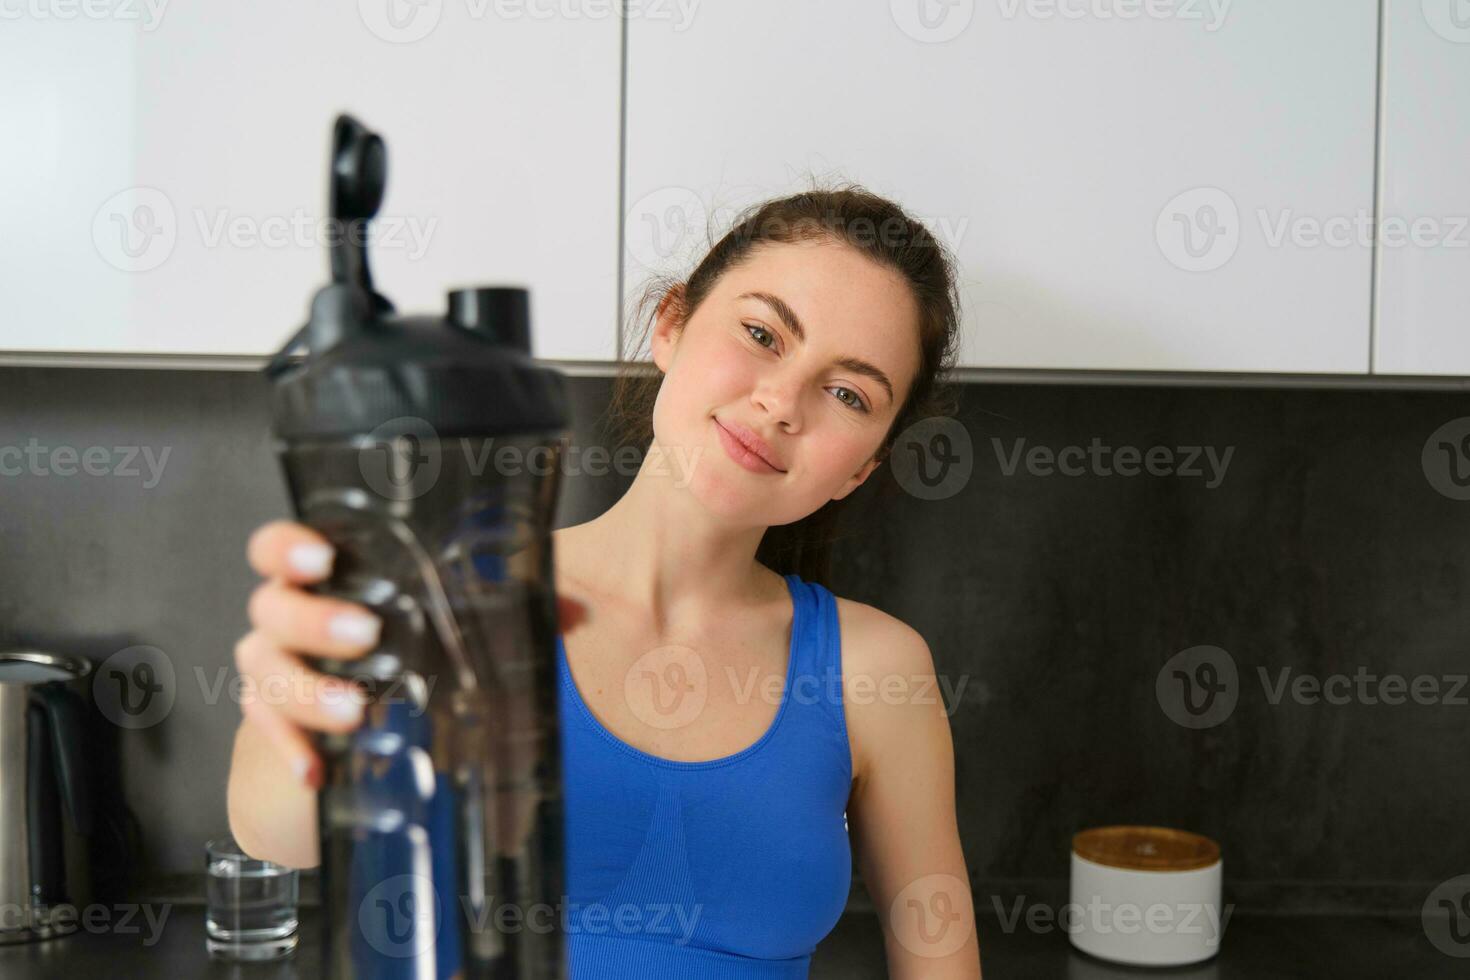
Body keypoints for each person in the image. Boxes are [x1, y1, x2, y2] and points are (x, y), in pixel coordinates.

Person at [228, 185, 983, 978]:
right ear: (672, 323)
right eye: (762, 333)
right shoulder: (462, 598)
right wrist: (328, 682)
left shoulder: (877, 670)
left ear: (860, 469)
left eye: (847, 393)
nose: (780, 403)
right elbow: (275, 829)